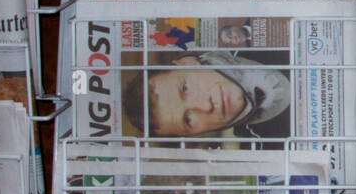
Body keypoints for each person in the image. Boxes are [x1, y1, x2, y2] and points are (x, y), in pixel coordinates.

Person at [122, 51, 290, 140]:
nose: (205, 106)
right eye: (188, 120)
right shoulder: (262, 150)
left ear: (187, 63)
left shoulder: (253, 31)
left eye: (185, 88)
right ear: (195, 134)